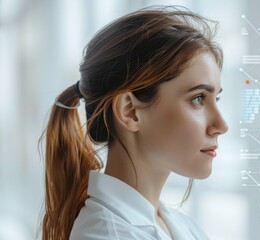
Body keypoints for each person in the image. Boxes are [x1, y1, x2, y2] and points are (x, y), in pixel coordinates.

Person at [39, 6, 228, 240]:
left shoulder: (179, 225)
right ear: (130, 111)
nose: (221, 124)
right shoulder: (104, 235)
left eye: (216, 98)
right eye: (198, 99)